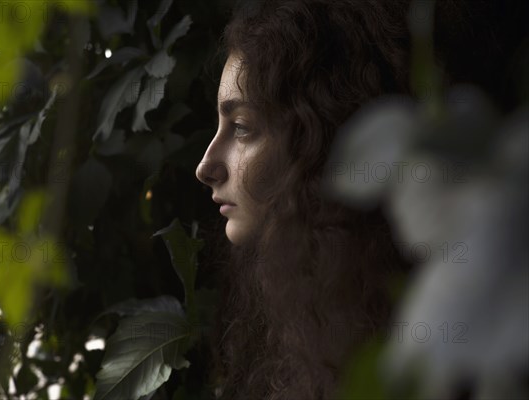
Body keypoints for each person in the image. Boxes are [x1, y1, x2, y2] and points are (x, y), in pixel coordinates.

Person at [194, 0, 524, 398]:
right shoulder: (285, 318)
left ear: (320, 142)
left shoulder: (439, 332)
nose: (206, 165)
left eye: (243, 127)